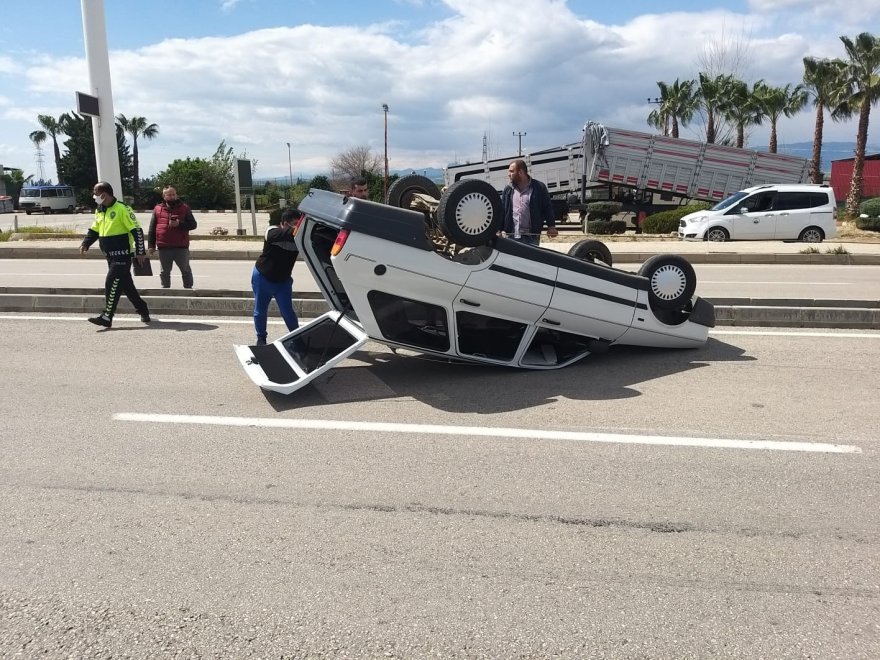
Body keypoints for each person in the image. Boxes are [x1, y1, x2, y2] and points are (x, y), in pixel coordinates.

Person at [80, 181, 151, 328]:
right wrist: (86, 243)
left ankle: (107, 316)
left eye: (95, 193)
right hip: (110, 256)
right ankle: (143, 309)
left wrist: (140, 252)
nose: (94, 196)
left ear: (104, 194)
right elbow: (95, 228)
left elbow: (136, 230)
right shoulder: (100, 209)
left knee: (111, 282)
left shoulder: (123, 209)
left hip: (122, 255)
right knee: (126, 286)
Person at [251, 206, 301, 345]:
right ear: (285, 223)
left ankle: (297, 339)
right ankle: (261, 339)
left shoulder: (298, 238)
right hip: (262, 277)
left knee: (287, 312)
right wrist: (300, 228)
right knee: (260, 311)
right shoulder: (272, 231)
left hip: (283, 282)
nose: (298, 228)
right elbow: (277, 235)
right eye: (296, 224)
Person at [148, 185, 197, 288]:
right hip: (164, 247)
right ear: (164, 196)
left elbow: (193, 225)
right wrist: (151, 245)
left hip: (181, 246)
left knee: (186, 270)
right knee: (164, 272)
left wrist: (179, 224)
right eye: (169, 195)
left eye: (173, 194)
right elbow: (152, 229)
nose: (172, 197)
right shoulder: (157, 209)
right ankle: (165, 291)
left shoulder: (185, 208)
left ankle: (188, 290)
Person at [500, 159, 558, 246]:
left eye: (511, 171)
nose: (509, 174)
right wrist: (499, 230)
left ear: (520, 172)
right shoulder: (508, 189)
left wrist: (551, 226)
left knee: (530, 259)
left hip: (532, 237)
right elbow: (502, 211)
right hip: (512, 235)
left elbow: (547, 208)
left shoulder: (539, 187)